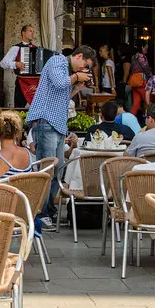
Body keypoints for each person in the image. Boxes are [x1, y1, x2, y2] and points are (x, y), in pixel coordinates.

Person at [26, 45, 96, 222]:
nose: (84, 69)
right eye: (85, 65)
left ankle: (48, 211)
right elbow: (59, 83)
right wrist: (76, 77)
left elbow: (62, 95)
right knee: (47, 170)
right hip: (46, 121)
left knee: (57, 171)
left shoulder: (68, 72)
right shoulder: (58, 61)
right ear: (79, 56)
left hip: (57, 125)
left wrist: (78, 87)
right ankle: (40, 214)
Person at [0, 24, 40, 105]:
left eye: (33, 32)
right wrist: (15, 64)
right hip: (22, 82)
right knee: (19, 107)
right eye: (30, 31)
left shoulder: (37, 49)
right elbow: (2, 63)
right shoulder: (16, 48)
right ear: (23, 33)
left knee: (37, 107)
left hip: (35, 83)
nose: (32, 33)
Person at [128, 39, 152, 115]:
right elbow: (146, 68)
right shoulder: (141, 56)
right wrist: (150, 76)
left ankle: (130, 119)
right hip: (141, 82)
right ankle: (152, 118)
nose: (146, 49)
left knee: (136, 105)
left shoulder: (133, 56)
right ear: (142, 47)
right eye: (145, 47)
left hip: (134, 82)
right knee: (147, 102)